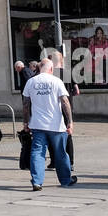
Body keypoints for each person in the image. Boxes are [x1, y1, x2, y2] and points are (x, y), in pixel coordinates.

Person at [21, 58, 76, 191]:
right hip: (56, 125)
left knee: (37, 152)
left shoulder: (31, 82)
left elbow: (26, 104)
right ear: (51, 69)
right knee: (60, 153)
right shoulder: (56, 81)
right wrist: (70, 121)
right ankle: (65, 180)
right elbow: (65, 102)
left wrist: (26, 122)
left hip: (38, 125)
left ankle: (37, 181)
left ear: (40, 68)